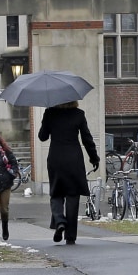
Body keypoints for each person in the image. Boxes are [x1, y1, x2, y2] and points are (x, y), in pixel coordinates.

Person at [38, 100, 100, 245]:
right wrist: (94, 158)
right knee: (73, 195)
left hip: (56, 158)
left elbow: (43, 136)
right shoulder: (78, 115)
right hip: (74, 159)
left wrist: (46, 121)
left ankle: (59, 220)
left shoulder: (50, 113)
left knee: (56, 193)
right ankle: (70, 236)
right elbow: (87, 138)